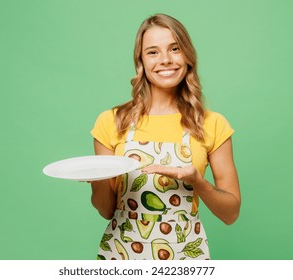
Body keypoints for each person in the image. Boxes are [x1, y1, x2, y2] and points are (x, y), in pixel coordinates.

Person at [90, 13, 240, 260]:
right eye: (153, 52)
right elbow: (106, 210)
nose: (166, 60)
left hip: (185, 255)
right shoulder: (112, 121)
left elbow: (230, 214)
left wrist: (197, 181)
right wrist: (96, 177)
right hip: (123, 255)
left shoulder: (212, 124)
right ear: (141, 61)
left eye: (175, 48)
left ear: (188, 56)